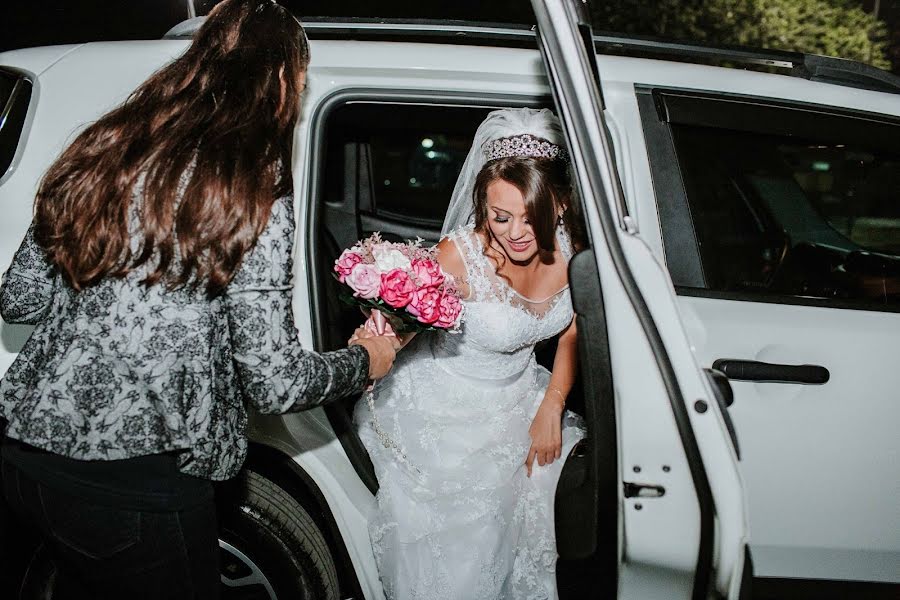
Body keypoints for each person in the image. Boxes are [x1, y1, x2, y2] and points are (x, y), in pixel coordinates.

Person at [0, 1, 397, 598]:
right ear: (286, 82)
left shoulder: (103, 148)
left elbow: (19, 300)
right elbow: (273, 384)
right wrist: (366, 359)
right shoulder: (253, 194)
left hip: (25, 463)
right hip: (136, 491)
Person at [353, 107, 587, 599]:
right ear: (483, 204)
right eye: (500, 216)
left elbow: (570, 332)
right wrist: (378, 340)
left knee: (552, 493)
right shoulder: (460, 256)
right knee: (470, 536)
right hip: (446, 411)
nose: (516, 232)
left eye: (532, 216)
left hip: (524, 393)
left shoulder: (573, 249)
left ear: (561, 205)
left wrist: (553, 403)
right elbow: (411, 321)